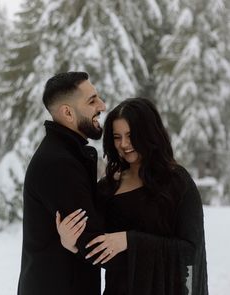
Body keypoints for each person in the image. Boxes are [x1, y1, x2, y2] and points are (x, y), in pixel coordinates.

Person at [57, 98, 209, 295]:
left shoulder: (177, 182)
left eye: (131, 135)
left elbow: (190, 251)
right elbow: (99, 247)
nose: (124, 144)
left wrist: (130, 240)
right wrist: (72, 244)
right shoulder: (107, 187)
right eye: (117, 137)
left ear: (149, 134)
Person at [17, 71, 124, 295]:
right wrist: (150, 249)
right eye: (92, 100)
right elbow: (93, 245)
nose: (103, 106)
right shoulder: (58, 164)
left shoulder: (67, 155)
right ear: (68, 113)